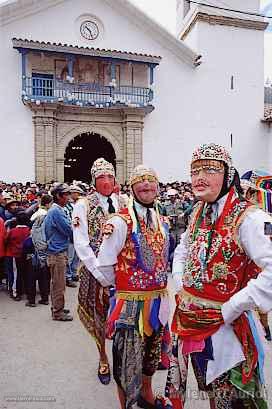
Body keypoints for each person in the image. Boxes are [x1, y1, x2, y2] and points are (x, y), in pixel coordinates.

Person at [167, 143, 272, 409]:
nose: (199, 177)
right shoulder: (199, 211)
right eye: (195, 170)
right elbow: (182, 248)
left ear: (227, 175)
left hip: (226, 328)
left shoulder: (250, 218)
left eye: (210, 169)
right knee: (211, 391)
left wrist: (233, 307)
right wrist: (180, 283)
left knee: (232, 399)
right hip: (189, 322)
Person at [80, 165, 171, 409]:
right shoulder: (120, 222)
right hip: (131, 304)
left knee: (151, 358)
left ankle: (147, 395)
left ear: (158, 187)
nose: (146, 185)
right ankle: (127, 405)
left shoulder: (161, 220)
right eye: (140, 181)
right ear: (131, 187)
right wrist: (122, 290)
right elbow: (105, 263)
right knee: (126, 361)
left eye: (151, 180)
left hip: (159, 301)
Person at [73, 158, 121, 385]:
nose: (107, 181)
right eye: (101, 177)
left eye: (110, 176)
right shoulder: (83, 205)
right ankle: (103, 357)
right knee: (98, 315)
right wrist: (100, 274)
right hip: (95, 273)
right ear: (94, 181)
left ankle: (125, 357)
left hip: (122, 271)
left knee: (126, 315)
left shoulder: (123, 201)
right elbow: (81, 244)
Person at [44, 183, 73, 322]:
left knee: (56, 283)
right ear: (58, 196)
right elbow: (68, 229)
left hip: (56, 251)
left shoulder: (57, 209)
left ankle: (57, 307)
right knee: (59, 285)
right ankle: (58, 312)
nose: (68, 197)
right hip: (57, 253)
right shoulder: (56, 211)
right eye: (66, 194)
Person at [27, 194, 53, 307]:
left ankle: (35, 299)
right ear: (47, 204)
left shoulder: (37, 214)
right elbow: (39, 233)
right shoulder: (43, 215)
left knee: (36, 274)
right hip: (39, 247)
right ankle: (44, 297)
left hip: (36, 246)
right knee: (41, 273)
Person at [5, 212, 31, 301]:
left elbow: (6, 240)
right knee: (26, 273)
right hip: (26, 255)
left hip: (15, 255)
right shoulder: (29, 230)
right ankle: (28, 291)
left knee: (16, 274)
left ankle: (16, 293)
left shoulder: (12, 231)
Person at [64, 185, 83, 287]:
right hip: (71, 234)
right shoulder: (67, 207)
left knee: (77, 256)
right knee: (70, 256)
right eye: (77, 193)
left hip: (78, 233)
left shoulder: (78, 204)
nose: (79, 195)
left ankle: (74, 273)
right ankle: (68, 276)